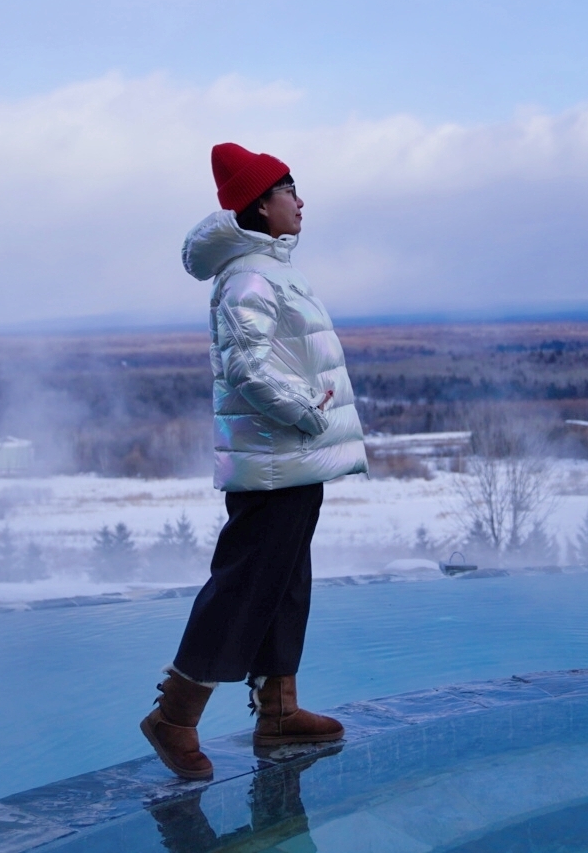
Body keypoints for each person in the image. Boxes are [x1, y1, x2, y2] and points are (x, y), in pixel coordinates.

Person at [139, 142, 368, 781]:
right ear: (261, 205)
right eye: (289, 190)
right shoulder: (249, 277)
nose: (300, 201)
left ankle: (278, 711)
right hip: (275, 453)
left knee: (284, 580)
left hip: (291, 458)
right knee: (244, 583)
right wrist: (307, 413)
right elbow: (247, 367)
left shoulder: (269, 269)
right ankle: (174, 716)